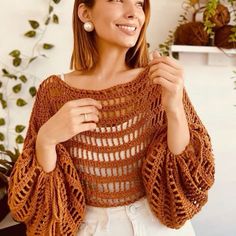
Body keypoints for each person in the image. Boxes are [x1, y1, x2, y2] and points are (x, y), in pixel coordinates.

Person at [8, 0, 215, 235]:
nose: (133, 14)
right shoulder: (53, 92)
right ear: (85, 13)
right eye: (118, 0)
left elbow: (193, 179)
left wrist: (174, 108)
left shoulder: (160, 82)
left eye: (139, 4)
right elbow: (38, 206)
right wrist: (45, 140)